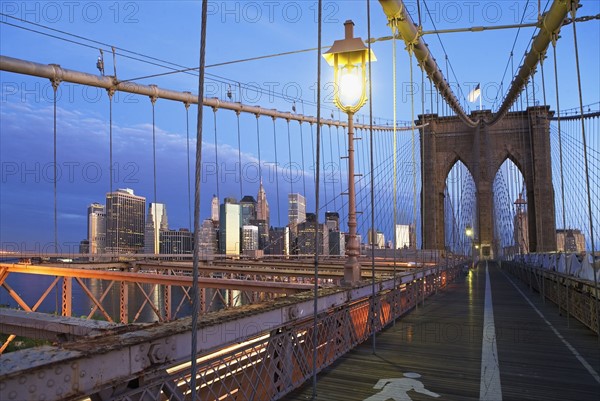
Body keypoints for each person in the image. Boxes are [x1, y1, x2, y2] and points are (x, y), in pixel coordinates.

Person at [363, 372, 440, 401]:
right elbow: (419, 390)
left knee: (378, 397)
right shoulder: (417, 382)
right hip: (399, 391)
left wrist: (378, 387)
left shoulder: (399, 379)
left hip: (390, 388)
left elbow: (383, 379)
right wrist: (434, 395)